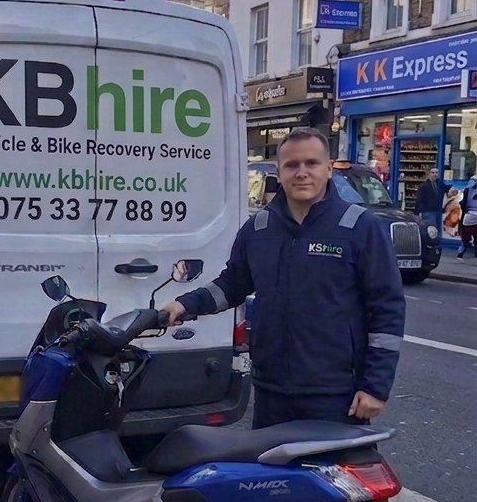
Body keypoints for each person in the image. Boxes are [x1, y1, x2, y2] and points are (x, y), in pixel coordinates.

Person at [162, 128, 405, 429]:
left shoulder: (359, 228)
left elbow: (387, 309)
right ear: (279, 172)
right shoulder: (259, 229)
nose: (301, 173)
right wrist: (186, 304)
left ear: (329, 169)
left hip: (335, 395)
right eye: (292, 165)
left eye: (311, 163)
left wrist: (375, 388)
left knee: (331, 477)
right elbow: (232, 285)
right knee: (271, 477)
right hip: (272, 394)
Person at [413, 167, 446, 236]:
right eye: (433, 173)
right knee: (430, 230)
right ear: (429, 174)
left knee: (437, 230)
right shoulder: (423, 186)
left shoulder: (440, 185)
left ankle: (436, 244)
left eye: (436, 173)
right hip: (428, 212)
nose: (435, 174)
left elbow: (447, 190)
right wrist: (416, 213)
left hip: (438, 211)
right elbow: (419, 199)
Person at [458, 174, 477, 259]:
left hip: (468, 216)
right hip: (470, 215)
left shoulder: (467, 190)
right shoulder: (468, 190)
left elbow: (463, 203)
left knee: (465, 238)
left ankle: (460, 253)